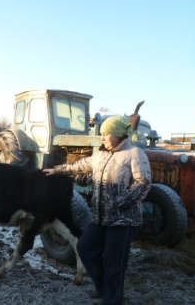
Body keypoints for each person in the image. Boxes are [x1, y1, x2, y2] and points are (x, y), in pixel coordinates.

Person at [43, 115, 151, 305]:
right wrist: (57, 170)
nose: (102, 138)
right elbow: (80, 166)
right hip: (100, 217)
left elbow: (143, 183)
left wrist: (120, 203)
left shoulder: (134, 153)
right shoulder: (101, 154)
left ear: (118, 135)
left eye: (105, 134)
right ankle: (103, 287)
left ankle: (112, 300)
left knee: (113, 263)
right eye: (101, 134)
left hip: (124, 220)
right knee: (85, 248)